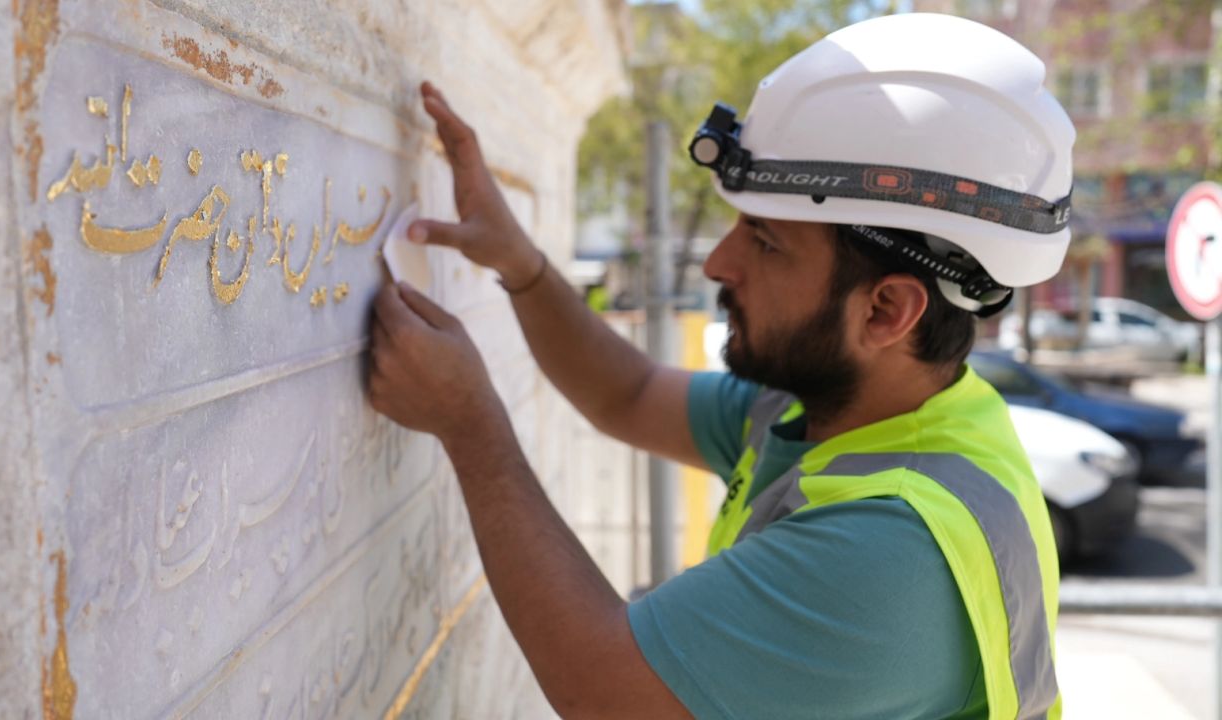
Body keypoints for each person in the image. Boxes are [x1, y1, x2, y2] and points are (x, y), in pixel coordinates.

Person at [365, 13, 1073, 719]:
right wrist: (519, 264)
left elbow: (605, 690)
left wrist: (470, 428)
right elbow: (629, 393)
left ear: (886, 311)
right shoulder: (852, 410)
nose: (716, 262)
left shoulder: (893, 550)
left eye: (764, 242)